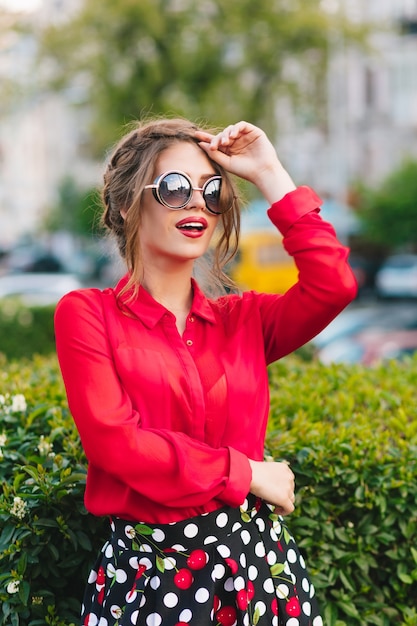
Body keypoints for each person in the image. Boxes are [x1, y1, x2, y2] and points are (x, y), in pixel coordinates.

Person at [54, 118, 357, 626]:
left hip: (262, 574)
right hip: (151, 586)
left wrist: (269, 172)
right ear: (129, 206)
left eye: (212, 191)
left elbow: (335, 285)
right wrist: (247, 473)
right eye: (174, 188)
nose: (198, 202)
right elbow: (117, 444)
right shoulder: (87, 314)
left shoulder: (245, 321)